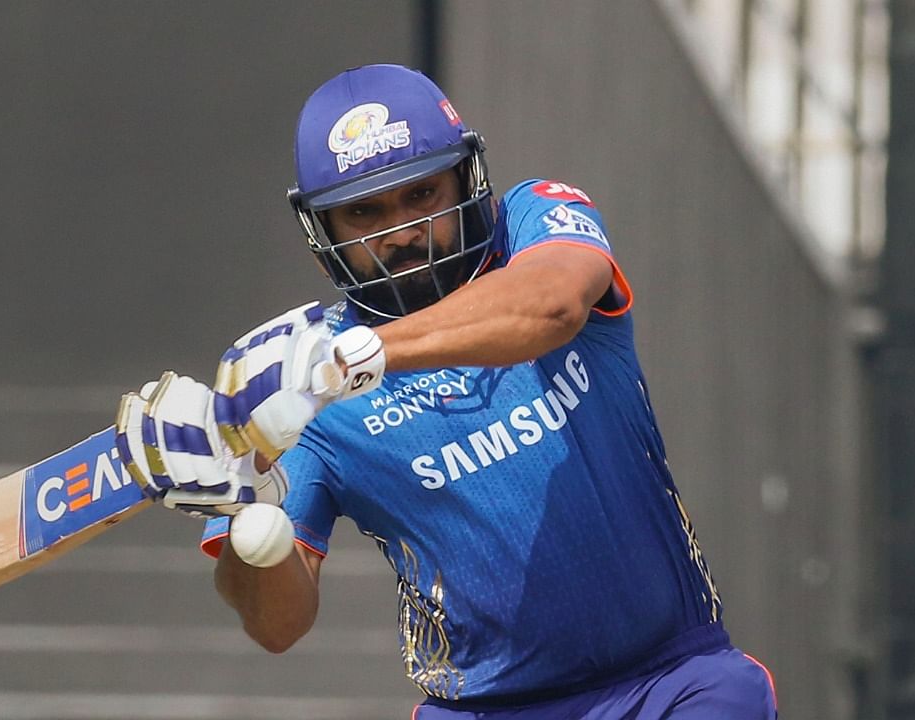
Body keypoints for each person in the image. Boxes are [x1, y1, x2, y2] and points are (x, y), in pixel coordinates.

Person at [117, 64, 778, 719]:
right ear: (321, 233)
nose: (401, 232)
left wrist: (351, 360)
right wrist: (246, 513)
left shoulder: (534, 221)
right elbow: (277, 626)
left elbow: (551, 308)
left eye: (421, 194)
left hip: (675, 682)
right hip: (482, 710)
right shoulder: (307, 399)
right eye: (364, 212)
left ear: (468, 179)